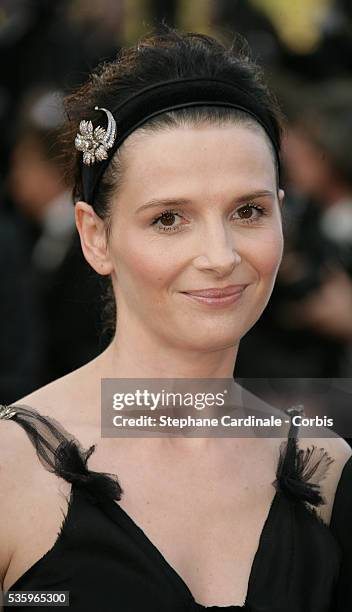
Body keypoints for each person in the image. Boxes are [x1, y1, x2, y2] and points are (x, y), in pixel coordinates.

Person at [0, 27, 351, 612]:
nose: (220, 256)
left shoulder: (326, 471)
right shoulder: (9, 470)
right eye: (169, 219)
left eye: (248, 211)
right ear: (95, 236)